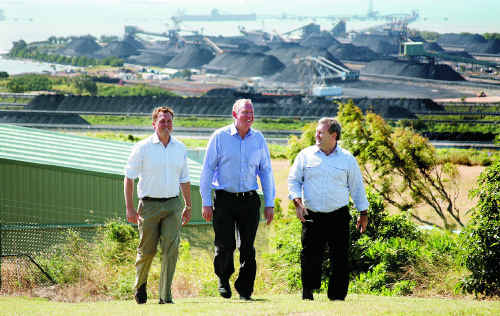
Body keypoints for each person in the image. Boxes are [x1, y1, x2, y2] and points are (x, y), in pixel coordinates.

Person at [200, 98, 275, 301]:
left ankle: (245, 290)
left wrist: (270, 203)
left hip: (249, 201)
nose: (249, 116)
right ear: (235, 114)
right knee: (225, 245)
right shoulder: (219, 137)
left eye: (251, 112)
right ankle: (223, 279)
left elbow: (266, 172)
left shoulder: (258, 139)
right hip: (224, 200)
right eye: (245, 112)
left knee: (247, 247)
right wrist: (206, 201)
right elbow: (207, 170)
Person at [287, 117, 369, 301]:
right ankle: (308, 292)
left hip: (338, 216)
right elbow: (293, 180)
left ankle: (337, 297)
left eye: (320, 132)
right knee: (309, 256)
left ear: (333, 135)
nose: (316, 134)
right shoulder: (305, 155)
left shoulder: (347, 159)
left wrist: (363, 213)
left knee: (340, 258)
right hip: (311, 214)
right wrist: (297, 203)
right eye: (317, 131)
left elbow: (357, 188)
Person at [124, 106, 192, 305]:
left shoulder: (180, 148)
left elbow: (185, 179)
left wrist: (188, 205)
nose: (166, 124)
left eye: (169, 121)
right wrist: (129, 208)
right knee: (147, 250)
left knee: (171, 249)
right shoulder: (142, 148)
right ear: (154, 124)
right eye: (162, 121)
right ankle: (140, 286)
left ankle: (165, 296)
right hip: (149, 205)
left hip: (173, 205)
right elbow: (129, 178)